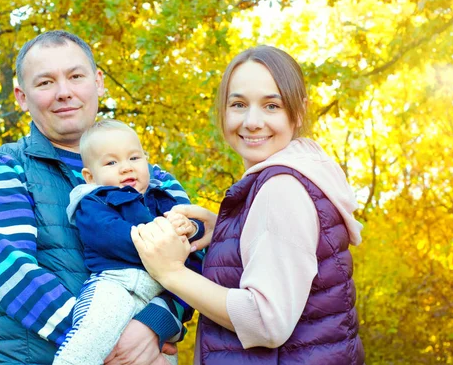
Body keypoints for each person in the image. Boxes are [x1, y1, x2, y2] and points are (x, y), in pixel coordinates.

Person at [0, 31, 196, 365]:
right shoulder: (1, 169)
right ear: (22, 97)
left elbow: (189, 264)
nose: (64, 92)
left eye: (75, 76)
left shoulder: (156, 180)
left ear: (98, 82)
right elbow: (12, 273)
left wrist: (152, 327)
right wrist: (106, 345)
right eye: (44, 83)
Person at [131, 45, 366, 364]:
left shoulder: (281, 189)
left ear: (298, 112)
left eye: (272, 105)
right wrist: (229, 230)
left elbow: (266, 322)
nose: (252, 121)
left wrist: (170, 272)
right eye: (239, 104)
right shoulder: (296, 175)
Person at [53, 119, 204, 365]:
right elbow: (110, 235)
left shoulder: (161, 198)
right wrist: (166, 245)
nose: (126, 168)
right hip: (116, 284)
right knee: (92, 337)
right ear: (90, 177)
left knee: (161, 358)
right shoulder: (94, 202)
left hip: (159, 293)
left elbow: (196, 243)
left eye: (134, 158)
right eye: (112, 162)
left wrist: (190, 227)